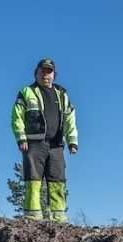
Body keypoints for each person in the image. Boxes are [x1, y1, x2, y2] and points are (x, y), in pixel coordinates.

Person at [11, 58, 78, 222]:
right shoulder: (27, 92)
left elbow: (70, 118)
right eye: (42, 71)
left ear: (54, 75)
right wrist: (21, 137)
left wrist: (72, 141)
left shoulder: (62, 95)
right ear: (36, 73)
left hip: (56, 146)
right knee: (33, 181)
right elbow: (17, 116)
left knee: (58, 181)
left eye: (49, 72)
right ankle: (32, 218)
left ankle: (59, 219)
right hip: (34, 144)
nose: (45, 75)